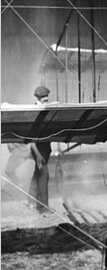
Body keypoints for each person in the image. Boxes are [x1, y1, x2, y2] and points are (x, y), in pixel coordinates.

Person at [29, 85, 52, 213]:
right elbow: (31, 139)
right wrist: (37, 155)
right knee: (44, 174)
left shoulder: (46, 109)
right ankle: (43, 207)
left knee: (37, 174)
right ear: (38, 97)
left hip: (45, 149)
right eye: (44, 97)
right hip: (37, 149)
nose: (46, 98)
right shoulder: (34, 111)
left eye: (47, 96)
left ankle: (30, 200)